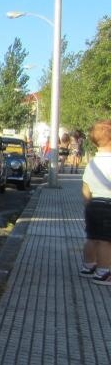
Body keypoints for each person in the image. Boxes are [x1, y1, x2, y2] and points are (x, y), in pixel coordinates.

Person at [78, 120, 111, 284]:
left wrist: (88, 206)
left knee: (92, 237)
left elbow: (86, 188)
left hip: (93, 205)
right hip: (108, 205)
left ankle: (88, 265)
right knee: (106, 241)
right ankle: (103, 272)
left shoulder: (92, 164)